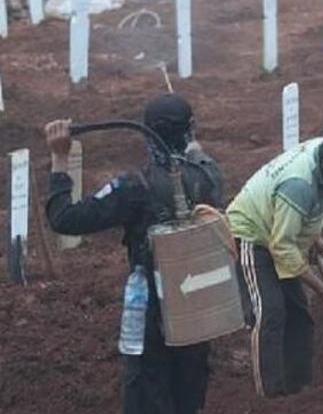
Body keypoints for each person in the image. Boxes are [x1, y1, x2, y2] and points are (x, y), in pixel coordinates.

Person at [44, 93, 224, 414]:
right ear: (190, 131)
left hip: (152, 317)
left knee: (147, 393)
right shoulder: (209, 176)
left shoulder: (134, 187)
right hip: (199, 311)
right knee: (188, 396)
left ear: (145, 133)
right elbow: (197, 157)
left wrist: (60, 159)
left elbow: (64, 219)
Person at [226, 129, 323, 397]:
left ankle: (300, 390)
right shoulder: (299, 184)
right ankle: (270, 397)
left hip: (280, 227)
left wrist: (311, 235)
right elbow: (281, 246)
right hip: (252, 235)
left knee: (300, 315)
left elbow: (307, 207)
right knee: (270, 313)